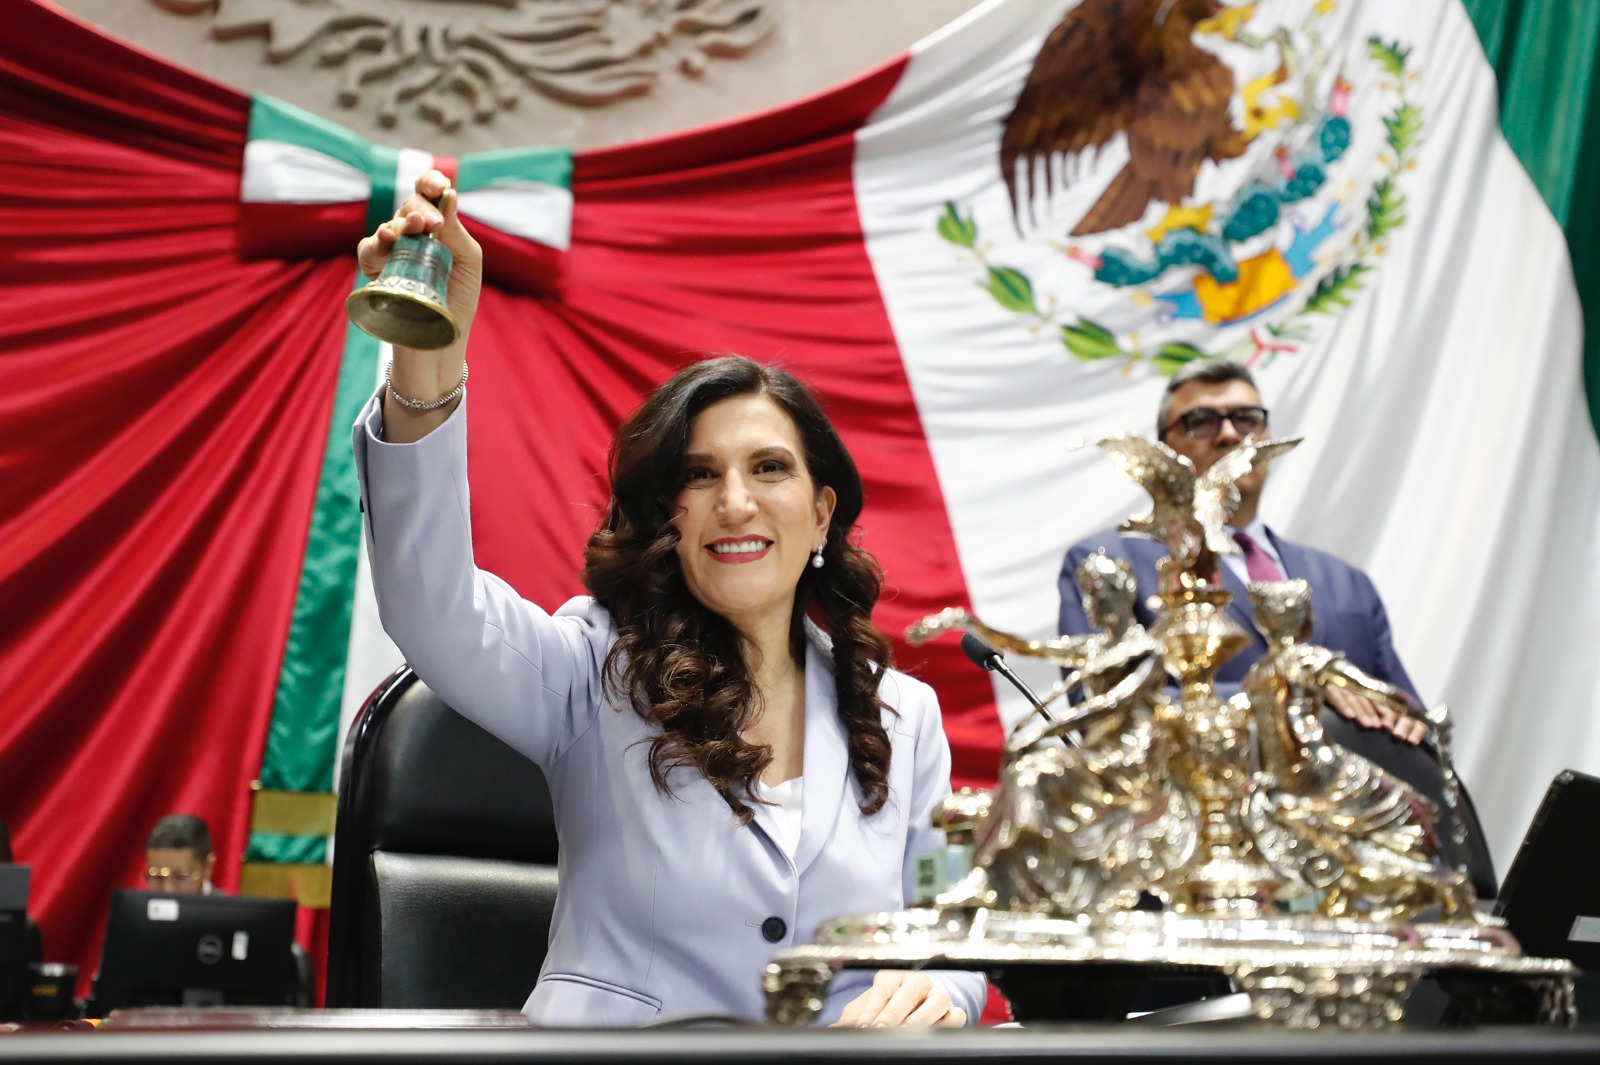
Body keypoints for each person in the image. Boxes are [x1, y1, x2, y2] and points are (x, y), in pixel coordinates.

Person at [350, 170, 985, 1027]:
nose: (736, 502)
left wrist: (942, 989)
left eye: (769, 468)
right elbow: (430, 603)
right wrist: (428, 358)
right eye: (700, 475)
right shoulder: (591, 668)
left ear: (821, 512)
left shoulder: (906, 717)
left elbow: (953, 929)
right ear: (667, 519)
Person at [1057, 358, 1497, 896]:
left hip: (1361, 868)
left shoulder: (1345, 583)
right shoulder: (1110, 565)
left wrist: (1402, 720)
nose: (1228, 434)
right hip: (1205, 860)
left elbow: (1404, 715)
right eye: (1201, 421)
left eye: (1247, 418)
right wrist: (1290, 698)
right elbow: (1105, 712)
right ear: (1165, 447)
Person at [143, 815, 219, 896]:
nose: (168, 890)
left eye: (179, 877)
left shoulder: (225, 904)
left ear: (207, 867)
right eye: (157, 876)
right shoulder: (137, 904)